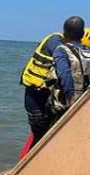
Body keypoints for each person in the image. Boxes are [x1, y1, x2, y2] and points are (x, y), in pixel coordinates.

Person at [20, 16, 85, 146]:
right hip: (36, 96)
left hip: (41, 97)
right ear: (82, 35)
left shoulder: (57, 41)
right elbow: (64, 74)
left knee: (46, 134)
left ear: (64, 30)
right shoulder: (58, 45)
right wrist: (72, 99)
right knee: (41, 136)